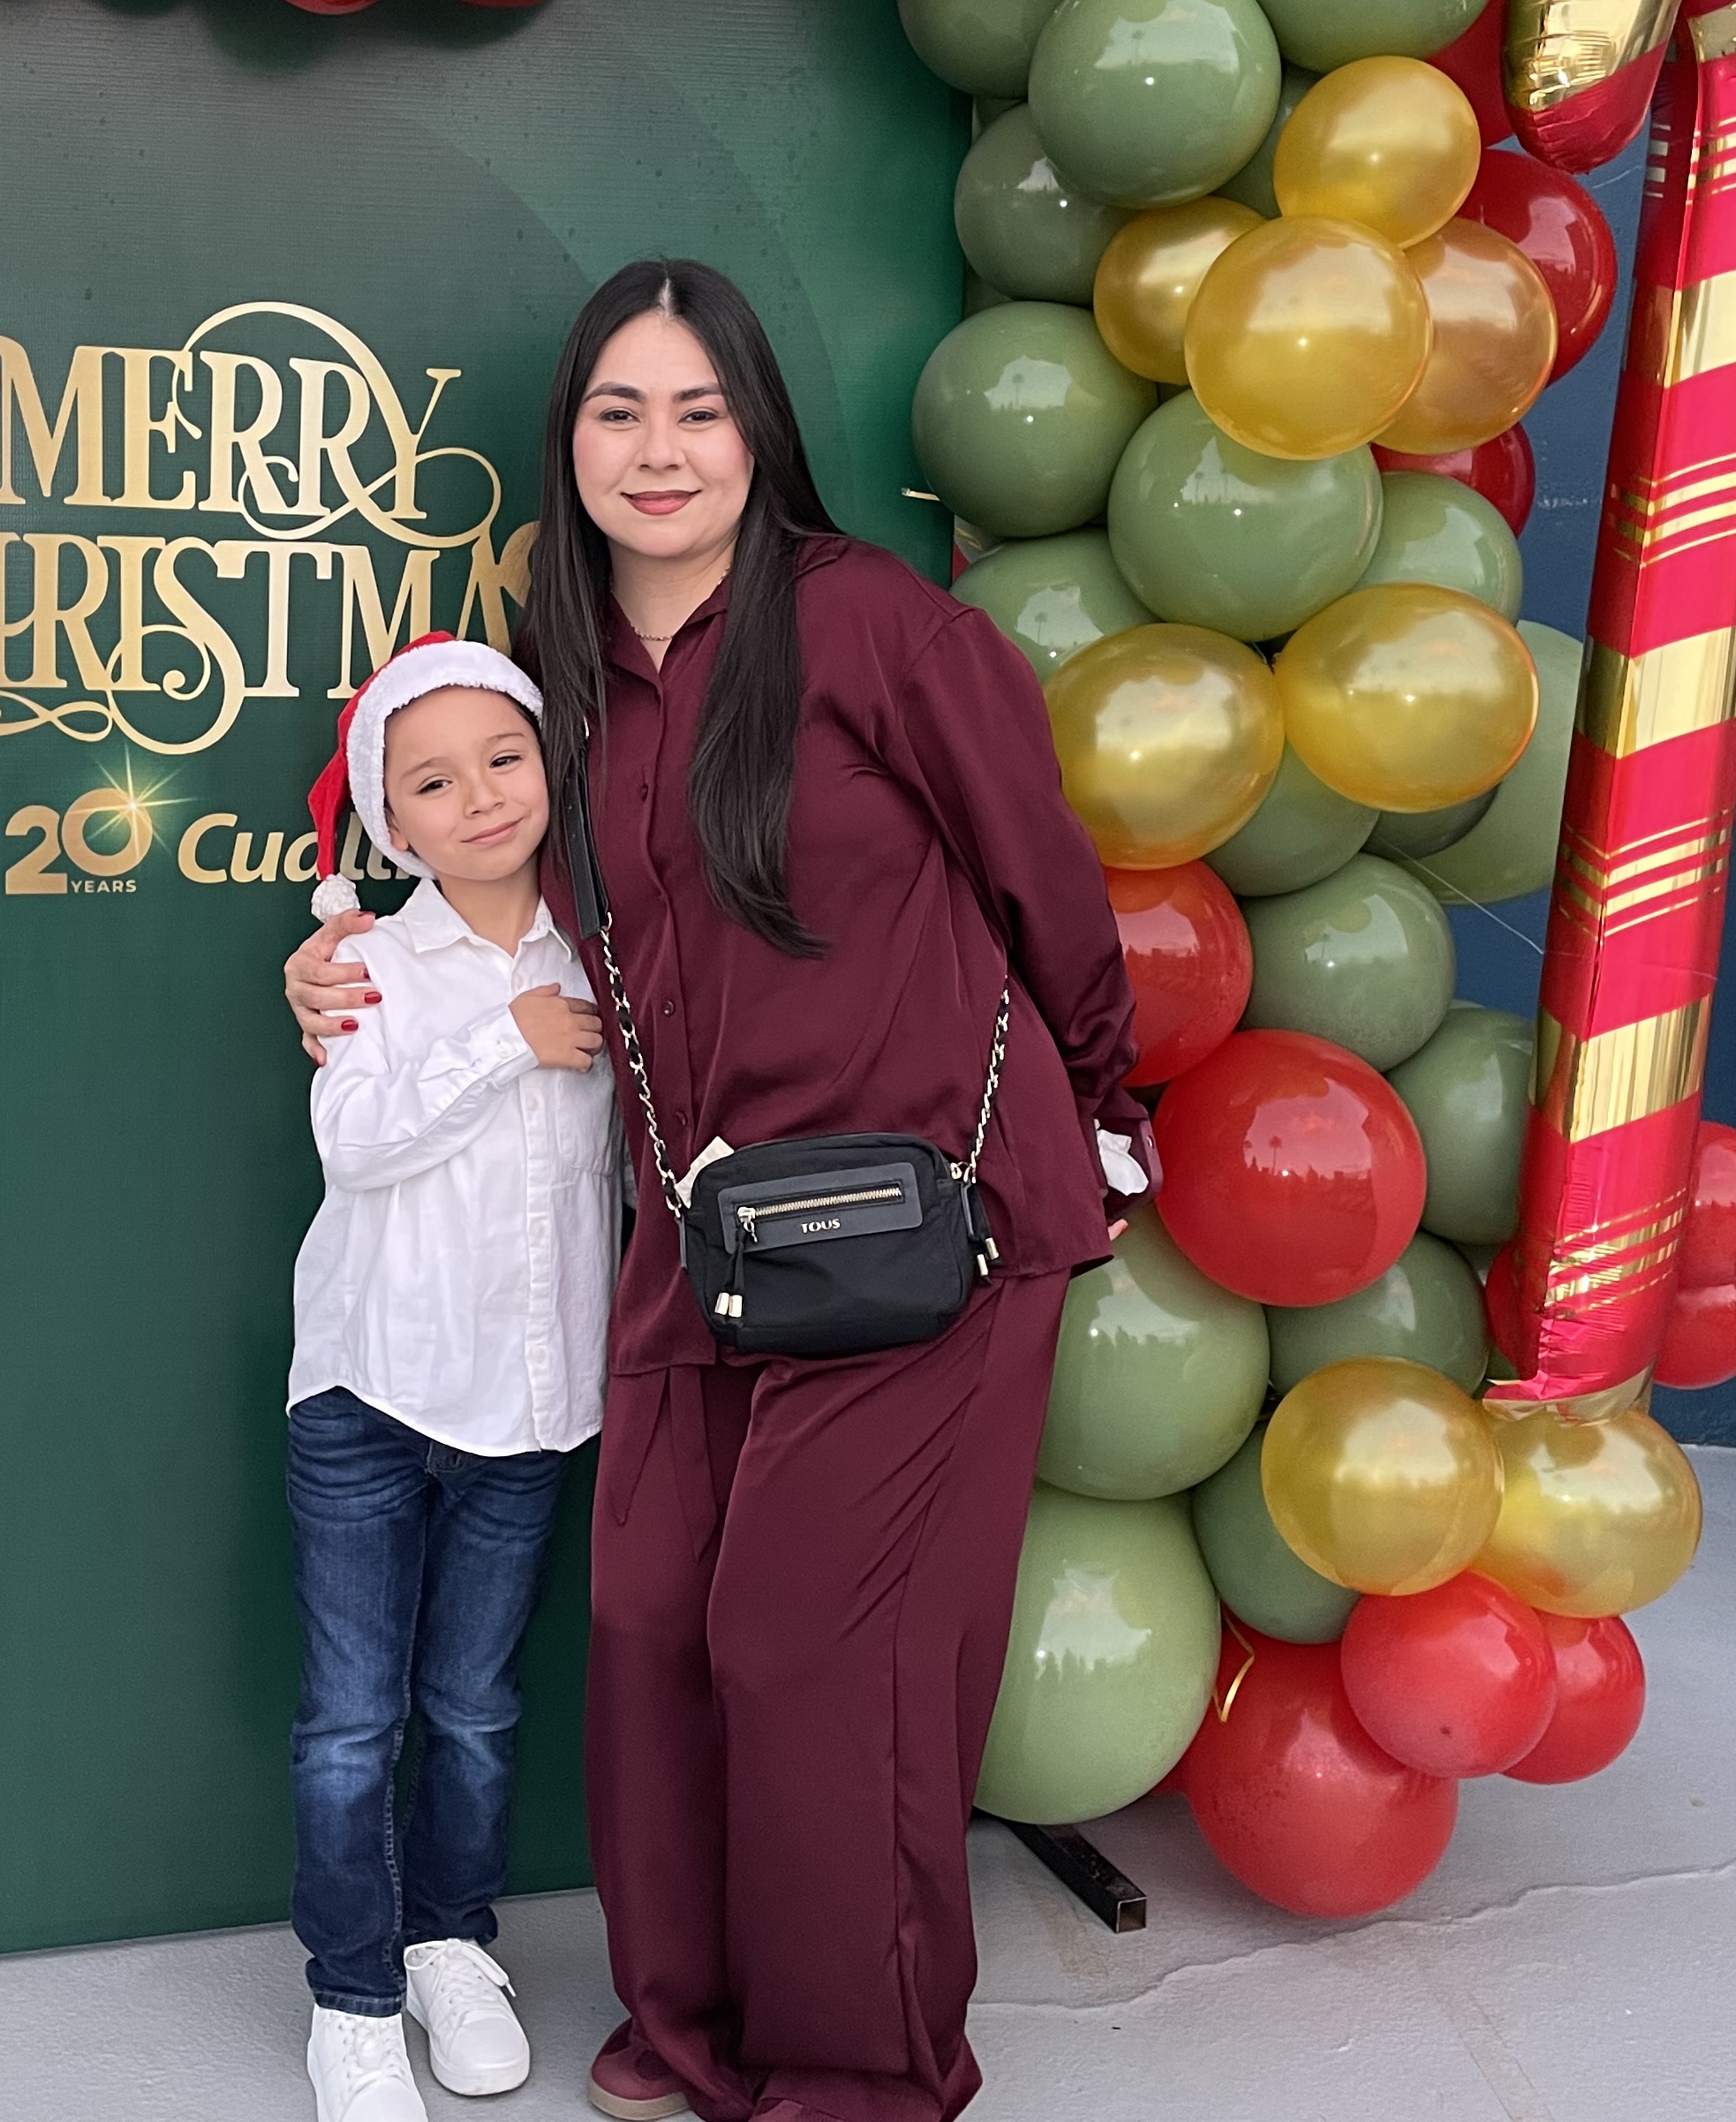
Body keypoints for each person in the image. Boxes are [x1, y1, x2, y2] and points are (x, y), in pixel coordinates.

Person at [287, 263, 1148, 2122]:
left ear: (759, 431)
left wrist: (1100, 1105)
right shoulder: (559, 671)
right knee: (656, 1625)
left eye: (700, 408)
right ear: (571, 441)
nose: (660, 449)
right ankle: (693, 2024)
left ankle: (859, 2066)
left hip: (924, 1222)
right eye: (621, 411)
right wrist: (341, 957)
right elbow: (469, 859)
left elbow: (1047, 884)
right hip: (700, 1222)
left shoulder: (878, 628)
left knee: (818, 1645)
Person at [286, 635, 615, 2122]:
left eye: (502, 758)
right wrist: (504, 1042)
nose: (479, 797)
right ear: (392, 821)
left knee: (476, 1707)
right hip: (372, 1395)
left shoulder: (605, 952)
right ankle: (350, 2000)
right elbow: (355, 1147)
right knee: (353, 1719)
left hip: (531, 1407)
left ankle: (447, 1945)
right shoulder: (368, 961)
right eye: (432, 781)